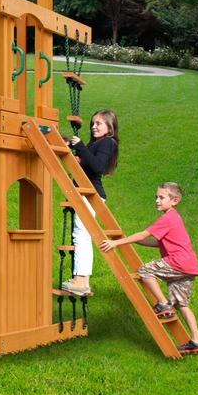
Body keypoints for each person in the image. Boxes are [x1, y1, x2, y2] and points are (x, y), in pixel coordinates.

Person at [100, 182, 198, 354]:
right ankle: (197, 341)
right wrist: (132, 240)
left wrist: (116, 242)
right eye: (156, 197)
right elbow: (156, 241)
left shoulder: (167, 218)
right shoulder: (174, 218)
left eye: (161, 197)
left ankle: (163, 304)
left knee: (145, 270)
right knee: (182, 304)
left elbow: (144, 234)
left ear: (174, 201)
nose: (157, 200)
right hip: (189, 266)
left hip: (177, 262)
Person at [62, 109, 119, 296]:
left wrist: (81, 148)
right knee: (82, 234)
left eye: (99, 124)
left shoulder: (107, 142)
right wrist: (72, 148)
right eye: (93, 123)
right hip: (87, 194)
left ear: (110, 128)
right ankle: (82, 280)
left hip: (91, 194)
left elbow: (98, 166)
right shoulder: (97, 143)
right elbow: (86, 162)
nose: (94, 127)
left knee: (82, 235)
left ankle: (81, 280)